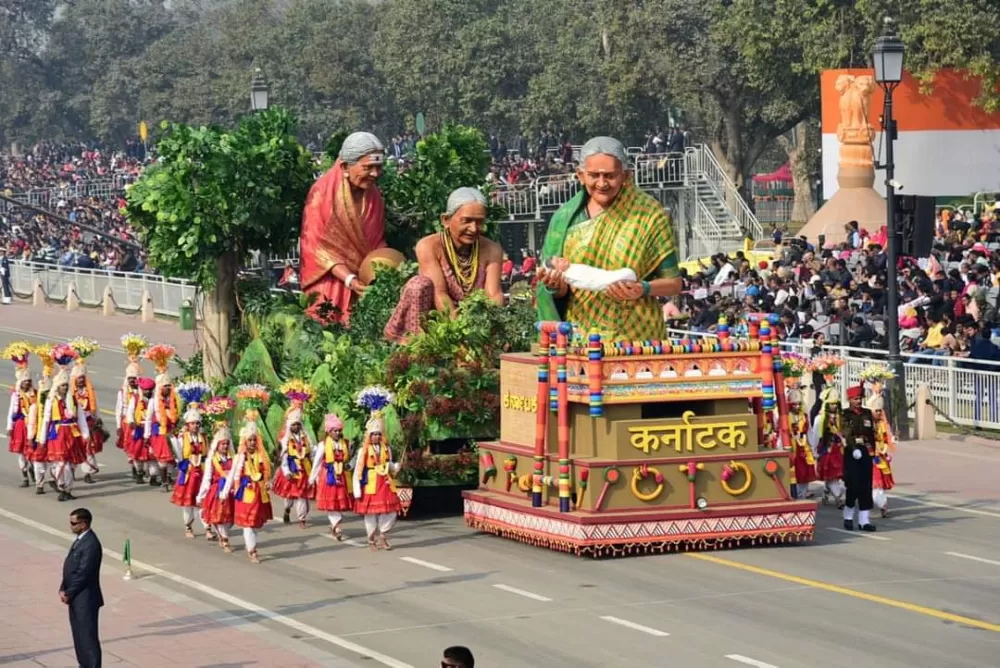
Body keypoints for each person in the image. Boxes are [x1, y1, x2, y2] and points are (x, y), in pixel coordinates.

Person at [536, 136, 682, 340]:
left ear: (626, 176)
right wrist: (555, 285)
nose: (602, 183)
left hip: (639, 337)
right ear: (580, 175)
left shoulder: (649, 214)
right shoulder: (564, 219)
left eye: (610, 176)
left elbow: (674, 283)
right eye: (594, 175)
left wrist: (642, 288)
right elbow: (559, 292)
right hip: (583, 339)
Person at [384, 187, 504, 342]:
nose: (474, 229)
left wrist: (485, 331)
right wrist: (460, 335)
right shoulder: (428, 246)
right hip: (438, 319)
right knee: (418, 285)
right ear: (445, 220)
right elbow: (440, 294)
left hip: (475, 321)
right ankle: (416, 345)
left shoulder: (492, 249)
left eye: (479, 222)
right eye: (466, 221)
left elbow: (494, 295)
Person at [299, 132, 388, 324]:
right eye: (368, 167)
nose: (375, 174)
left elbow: (376, 242)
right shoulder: (321, 194)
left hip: (364, 282)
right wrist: (349, 280)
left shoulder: (374, 197)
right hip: (329, 280)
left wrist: (385, 268)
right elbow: (317, 248)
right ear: (345, 166)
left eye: (378, 167)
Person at [224, 422, 273, 563]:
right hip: (246, 493)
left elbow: (266, 473)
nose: (252, 442)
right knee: (249, 524)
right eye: (249, 440)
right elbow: (233, 475)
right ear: (245, 442)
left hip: (260, 494)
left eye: (254, 439)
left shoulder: (262, 455)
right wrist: (225, 492)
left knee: (257, 524)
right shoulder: (240, 457)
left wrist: (268, 482)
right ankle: (252, 550)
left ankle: (251, 544)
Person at [352, 411, 401, 550]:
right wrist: (356, 490)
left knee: (391, 511)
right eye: (374, 434)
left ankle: (384, 535)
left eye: (379, 434)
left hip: (385, 482)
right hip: (371, 484)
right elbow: (358, 470)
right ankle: (371, 538)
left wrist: (395, 466)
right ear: (369, 435)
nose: (377, 436)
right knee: (371, 513)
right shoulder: (364, 450)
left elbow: (388, 464)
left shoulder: (386, 448)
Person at [60, 508, 103, 668]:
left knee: (88, 638)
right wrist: (63, 587)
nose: (71, 526)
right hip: (76, 597)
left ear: (84, 524)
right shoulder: (80, 540)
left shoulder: (91, 544)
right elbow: (71, 566)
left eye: (74, 523)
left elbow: (84, 573)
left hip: (86, 598)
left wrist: (69, 592)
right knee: (79, 636)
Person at [41, 368, 89, 502]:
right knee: (63, 463)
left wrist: (85, 434)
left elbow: (81, 418)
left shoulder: (73, 400)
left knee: (72, 465)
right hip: (58, 434)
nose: (65, 387)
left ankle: (67, 489)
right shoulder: (52, 401)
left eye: (66, 385)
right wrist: (42, 438)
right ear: (57, 387)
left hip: (72, 433)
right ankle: (62, 487)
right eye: (63, 385)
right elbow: (46, 420)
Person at [309, 413, 354, 541]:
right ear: (329, 431)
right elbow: (317, 462)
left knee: (339, 503)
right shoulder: (323, 444)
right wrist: (312, 479)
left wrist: (348, 466)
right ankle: (337, 526)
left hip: (341, 476)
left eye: (339, 430)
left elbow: (349, 459)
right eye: (335, 431)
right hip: (328, 476)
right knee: (331, 503)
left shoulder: (345, 443)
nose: (338, 433)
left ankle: (335, 524)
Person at [171, 407, 210, 539]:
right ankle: (188, 526)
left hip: (202, 471)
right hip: (189, 472)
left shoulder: (203, 437)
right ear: (188, 425)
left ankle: (207, 527)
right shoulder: (183, 437)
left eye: (197, 423)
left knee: (203, 500)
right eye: (193, 423)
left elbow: (208, 453)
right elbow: (179, 453)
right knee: (188, 504)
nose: (195, 426)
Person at [272, 408, 315, 529]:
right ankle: (287, 509)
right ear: (290, 425)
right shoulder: (286, 439)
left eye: (298, 424)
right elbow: (284, 457)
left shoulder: (305, 437)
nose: (296, 426)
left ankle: (302, 518)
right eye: (294, 424)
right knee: (290, 497)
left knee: (302, 495)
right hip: (292, 469)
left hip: (305, 468)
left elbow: (312, 452)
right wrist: (286, 471)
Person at [841, 385, 877, 531]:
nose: (858, 401)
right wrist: (853, 448)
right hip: (852, 452)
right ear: (849, 400)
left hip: (866, 451)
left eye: (860, 398)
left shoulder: (867, 413)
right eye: (856, 399)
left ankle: (864, 520)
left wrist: (874, 452)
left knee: (865, 486)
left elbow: (871, 434)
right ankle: (848, 516)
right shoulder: (845, 415)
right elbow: (846, 434)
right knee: (853, 485)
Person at [197, 423, 236, 553]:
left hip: (232, 492)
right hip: (217, 491)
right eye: (222, 444)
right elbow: (207, 478)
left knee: (231, 520)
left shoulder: (234, 458)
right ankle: (225, 541)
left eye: (226, 443)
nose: (225, 446)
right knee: (220, 517)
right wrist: (201, 495)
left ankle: (222, 534)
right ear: (217, 445)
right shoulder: (212, 460)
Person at [809, 387, 845, 508]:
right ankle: (838, 497)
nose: (834, 406)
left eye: (836, 403)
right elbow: (815, 436)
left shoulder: (841, 417)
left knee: (838, 475)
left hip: (839, 450)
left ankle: (826, 490)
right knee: (831, 474)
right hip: (826, 450)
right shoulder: (820, 419)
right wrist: (814, 451)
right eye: (831, 404)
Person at [71, 361, 104, 484]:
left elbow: (95, 406)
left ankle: (87, 473)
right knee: (73, 448)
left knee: (88, 449)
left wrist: (97, 418)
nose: (80, 380)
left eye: (82, 378)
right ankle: (71, 471)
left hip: (88, 423)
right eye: (78, 378)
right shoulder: (70, 393)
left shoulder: (89, 391)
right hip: (74, 424)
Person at [145, 370, 179, 490]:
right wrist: (146, 435)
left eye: (169, 386)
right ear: (160, 388)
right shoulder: (153, 401)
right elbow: (148, 419)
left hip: (171, 431)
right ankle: (164, 481)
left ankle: (169, 477)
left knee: (172, 457)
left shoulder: (173, 400)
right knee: (162, 458)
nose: (168, 388)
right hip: (159, 433)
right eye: (165, 386)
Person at [6, 357, 34, 487]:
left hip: (32, 426)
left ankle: (33, 468)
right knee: (21, 452)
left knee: (32, 450)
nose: (27, 384)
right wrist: (9, 427)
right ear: (20, 383)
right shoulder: (16, 396)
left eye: (29, 381)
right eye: (24, 382)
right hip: (20, 426)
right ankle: (24, 476)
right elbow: (11, 411)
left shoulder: (34, 394)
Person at [866, 392, 895, 517]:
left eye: (880, 410)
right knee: (872, 484)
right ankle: (880, 504)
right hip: (870, 457)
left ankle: (882, 504)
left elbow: (885, 438)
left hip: (881, 456)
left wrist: (885, 448)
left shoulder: (882, 424)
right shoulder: (867, 424)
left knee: (879, 484)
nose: (878, 413)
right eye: (876, 410)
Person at [785, 388, 816, 499]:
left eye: (799, 404)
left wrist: (812, 447)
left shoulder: (804, 416)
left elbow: (809, 432)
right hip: (792, 448)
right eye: (794, 405)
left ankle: (802, 495)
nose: (797, 407)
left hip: (804, 447)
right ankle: (795, 496)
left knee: (805, 473)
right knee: (794, 473)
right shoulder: (785, 417)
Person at [115, 357, 143, 480]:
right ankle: (134, 468)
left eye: (134, 378)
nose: (132, 381)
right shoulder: (122, 392)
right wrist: (118, 426)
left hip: (141, 421)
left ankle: (140, 468)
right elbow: (118, 409)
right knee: (131, 447)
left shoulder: (144, 392)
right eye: (130, 378)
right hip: (128, 423)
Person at [126, 378, 156, 484]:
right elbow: (130, 411)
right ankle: (139, 473)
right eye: (146, 390)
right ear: (142, 389)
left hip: (152, 429)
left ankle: (153, 476)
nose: (148, 392)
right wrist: (131, 421)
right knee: (138, 454)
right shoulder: (136, 398)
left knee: (152, 455)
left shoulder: (155, 400)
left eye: (150, 389)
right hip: (139, 428)